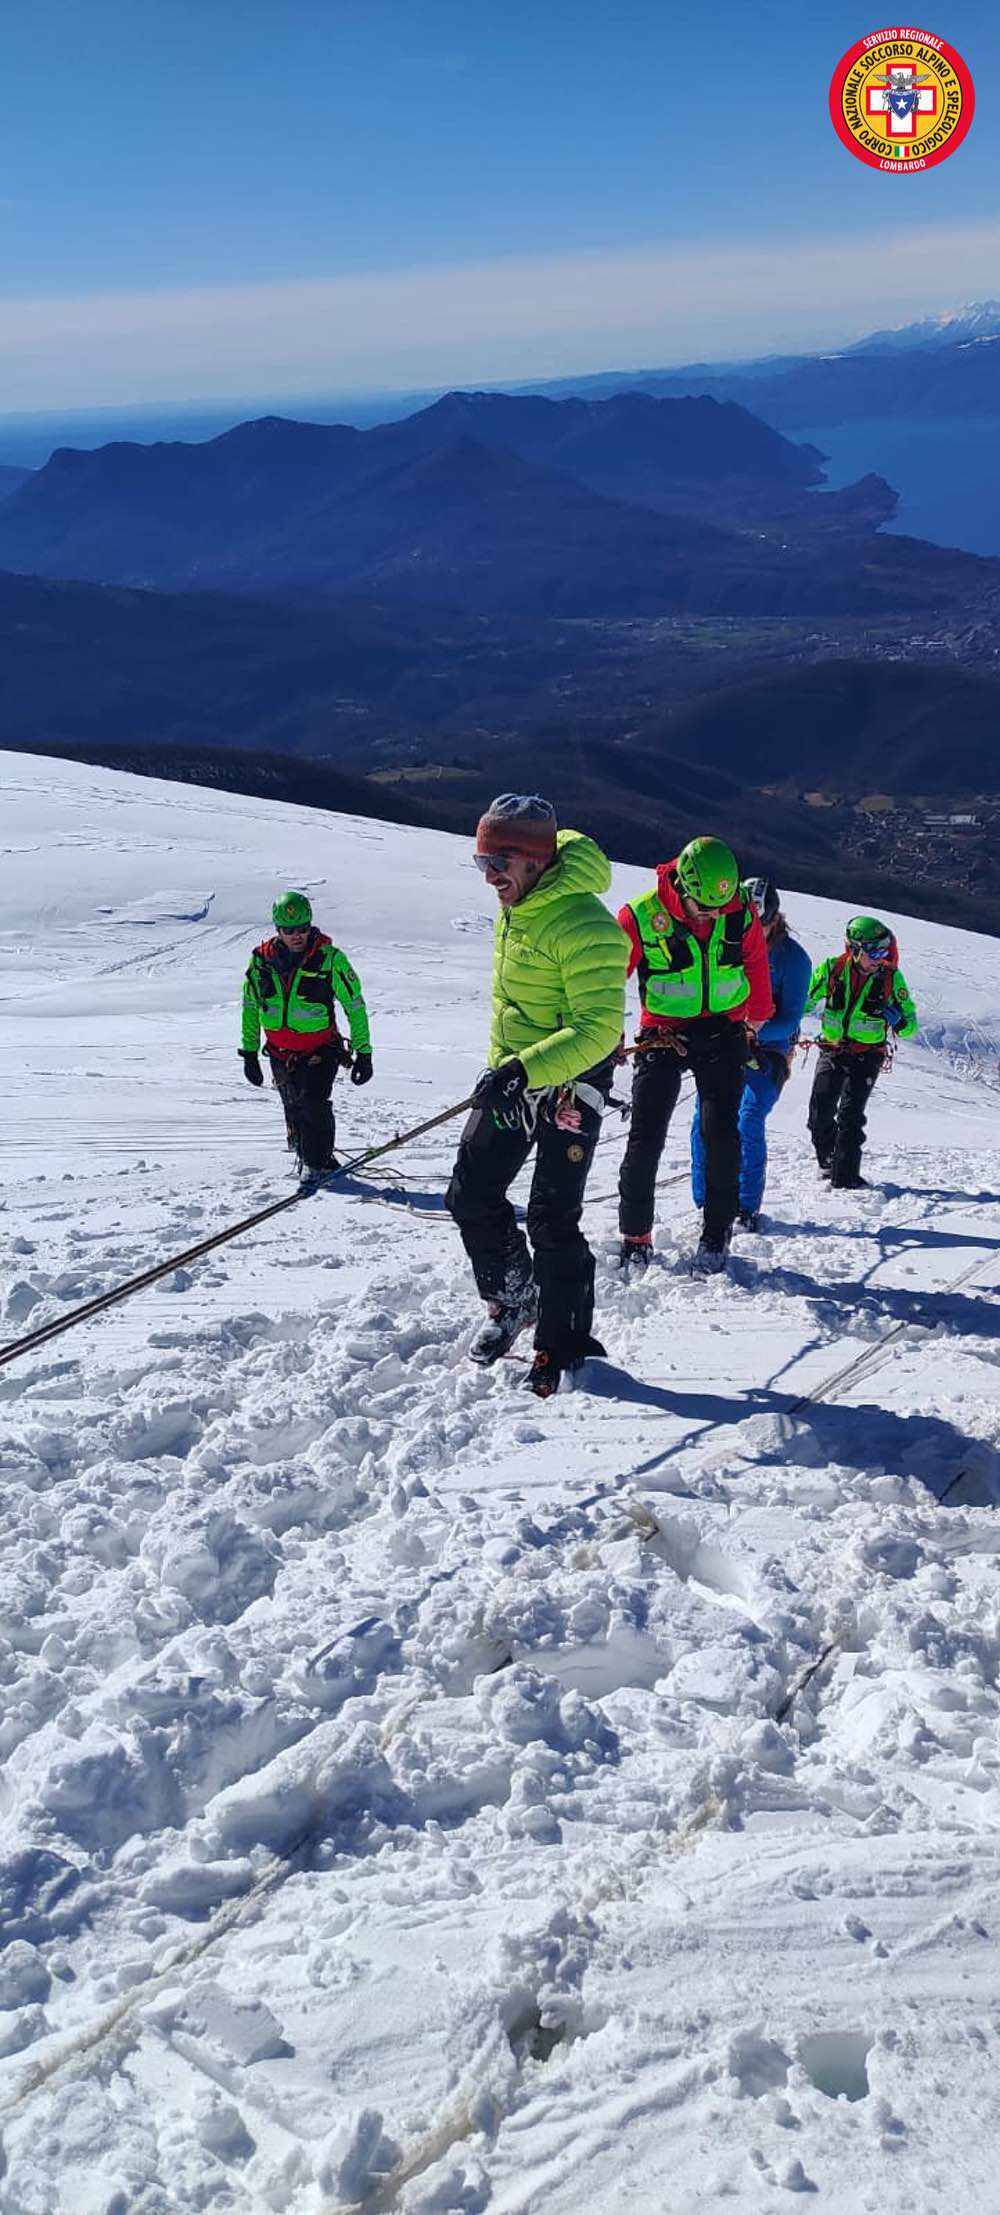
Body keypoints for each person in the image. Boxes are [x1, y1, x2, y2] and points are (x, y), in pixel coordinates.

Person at [446, 793, 628, 1399]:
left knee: (553, 1218)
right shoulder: (520, 903)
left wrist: (524, 1070)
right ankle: (514, 1298)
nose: (489, 878)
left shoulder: (587, 926)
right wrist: (513, 1070)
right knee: (470, 1192)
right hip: (516, 1077)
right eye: (481, 864)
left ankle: (563, 1340)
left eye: (497, 863)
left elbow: (597, 1029)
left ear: (533, 860)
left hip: (569, 1086)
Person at [617, 835, 773, 1275]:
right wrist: (610, 1033)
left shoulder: (738, 911)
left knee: (720, 1133)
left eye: (717, 908)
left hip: (724, 1030)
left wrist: (755, 1019)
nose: (710, 916)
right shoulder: (640, 916)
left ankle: (716, 1232)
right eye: (702, 908)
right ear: (681, 886)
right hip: (663, 1033)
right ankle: (635, 1235)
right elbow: (609, 978)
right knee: (646, 1136)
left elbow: (756, 964)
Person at [691, 875, 811, 1231]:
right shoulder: (722, 943)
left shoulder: (793, 961)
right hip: (727, 1041)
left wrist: (745, 1029)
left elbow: (788, 1020)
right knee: (705, 1118)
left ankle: (744, 1207)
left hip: (768, 1049)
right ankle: (706, 1200)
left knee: (747, 1116)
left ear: (775, 920)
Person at [240, 890, 372, 1178]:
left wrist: (364, 1053)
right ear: (278, 930)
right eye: (289, 930)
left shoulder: (329, 960)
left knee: (314, 1104)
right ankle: (309, 1157)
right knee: (294, 1108)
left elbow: (355, 1006)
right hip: (280, 1052)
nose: (296, 936)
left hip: (320, 1050)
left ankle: (319, 1165)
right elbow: (250, 1007)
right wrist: (249, 1053)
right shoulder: (260, 963)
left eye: (302, 929)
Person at [805, 914, 918, 1189]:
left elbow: (910, 1025)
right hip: (832, 1050)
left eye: (884, 950)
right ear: (854, 948)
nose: (881, 957)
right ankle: (828, 1159)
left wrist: (899, 1021)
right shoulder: (832, 969)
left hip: (868, 1054)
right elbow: (805, 1000)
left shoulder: (892, 978)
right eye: (874, 951)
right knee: (819, 1112)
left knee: (851, 1116)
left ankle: (845, 1180)